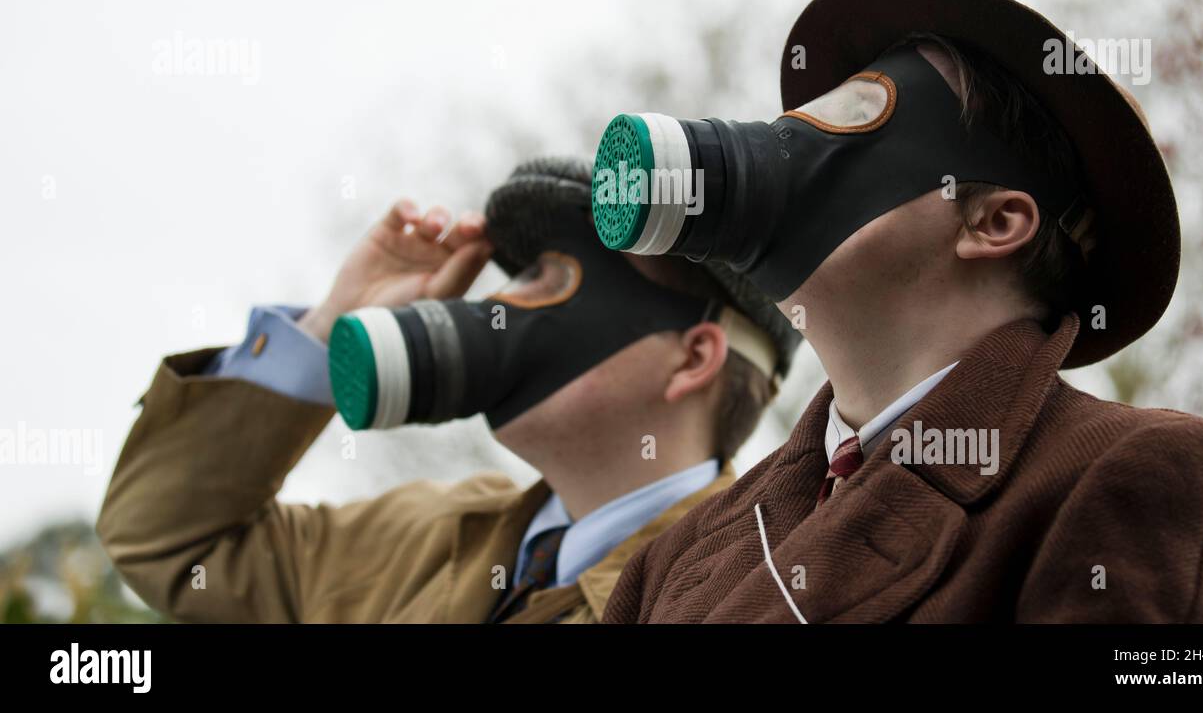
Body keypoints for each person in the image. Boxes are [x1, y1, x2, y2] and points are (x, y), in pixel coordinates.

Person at [593, 0, 1203, 622]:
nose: (793, 138)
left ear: (995, 222)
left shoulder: (1141, 479)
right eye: (813, 111)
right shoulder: (677, 558)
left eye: (859, 113)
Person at [97, 157, 801, 623]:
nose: (498, 308)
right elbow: (171, 541)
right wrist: (324, 330)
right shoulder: (414, 538)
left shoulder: (759, 591)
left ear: (693, 358)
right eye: (517, 277)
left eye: (554, 284)